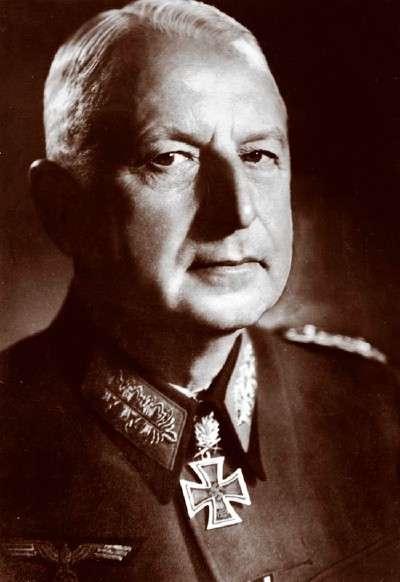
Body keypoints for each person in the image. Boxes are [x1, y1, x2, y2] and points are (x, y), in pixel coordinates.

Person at [0, 1, 399, 580]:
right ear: (63, 209)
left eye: (258, 155)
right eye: (170, 159)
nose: (237, 211)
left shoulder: (374, 410)